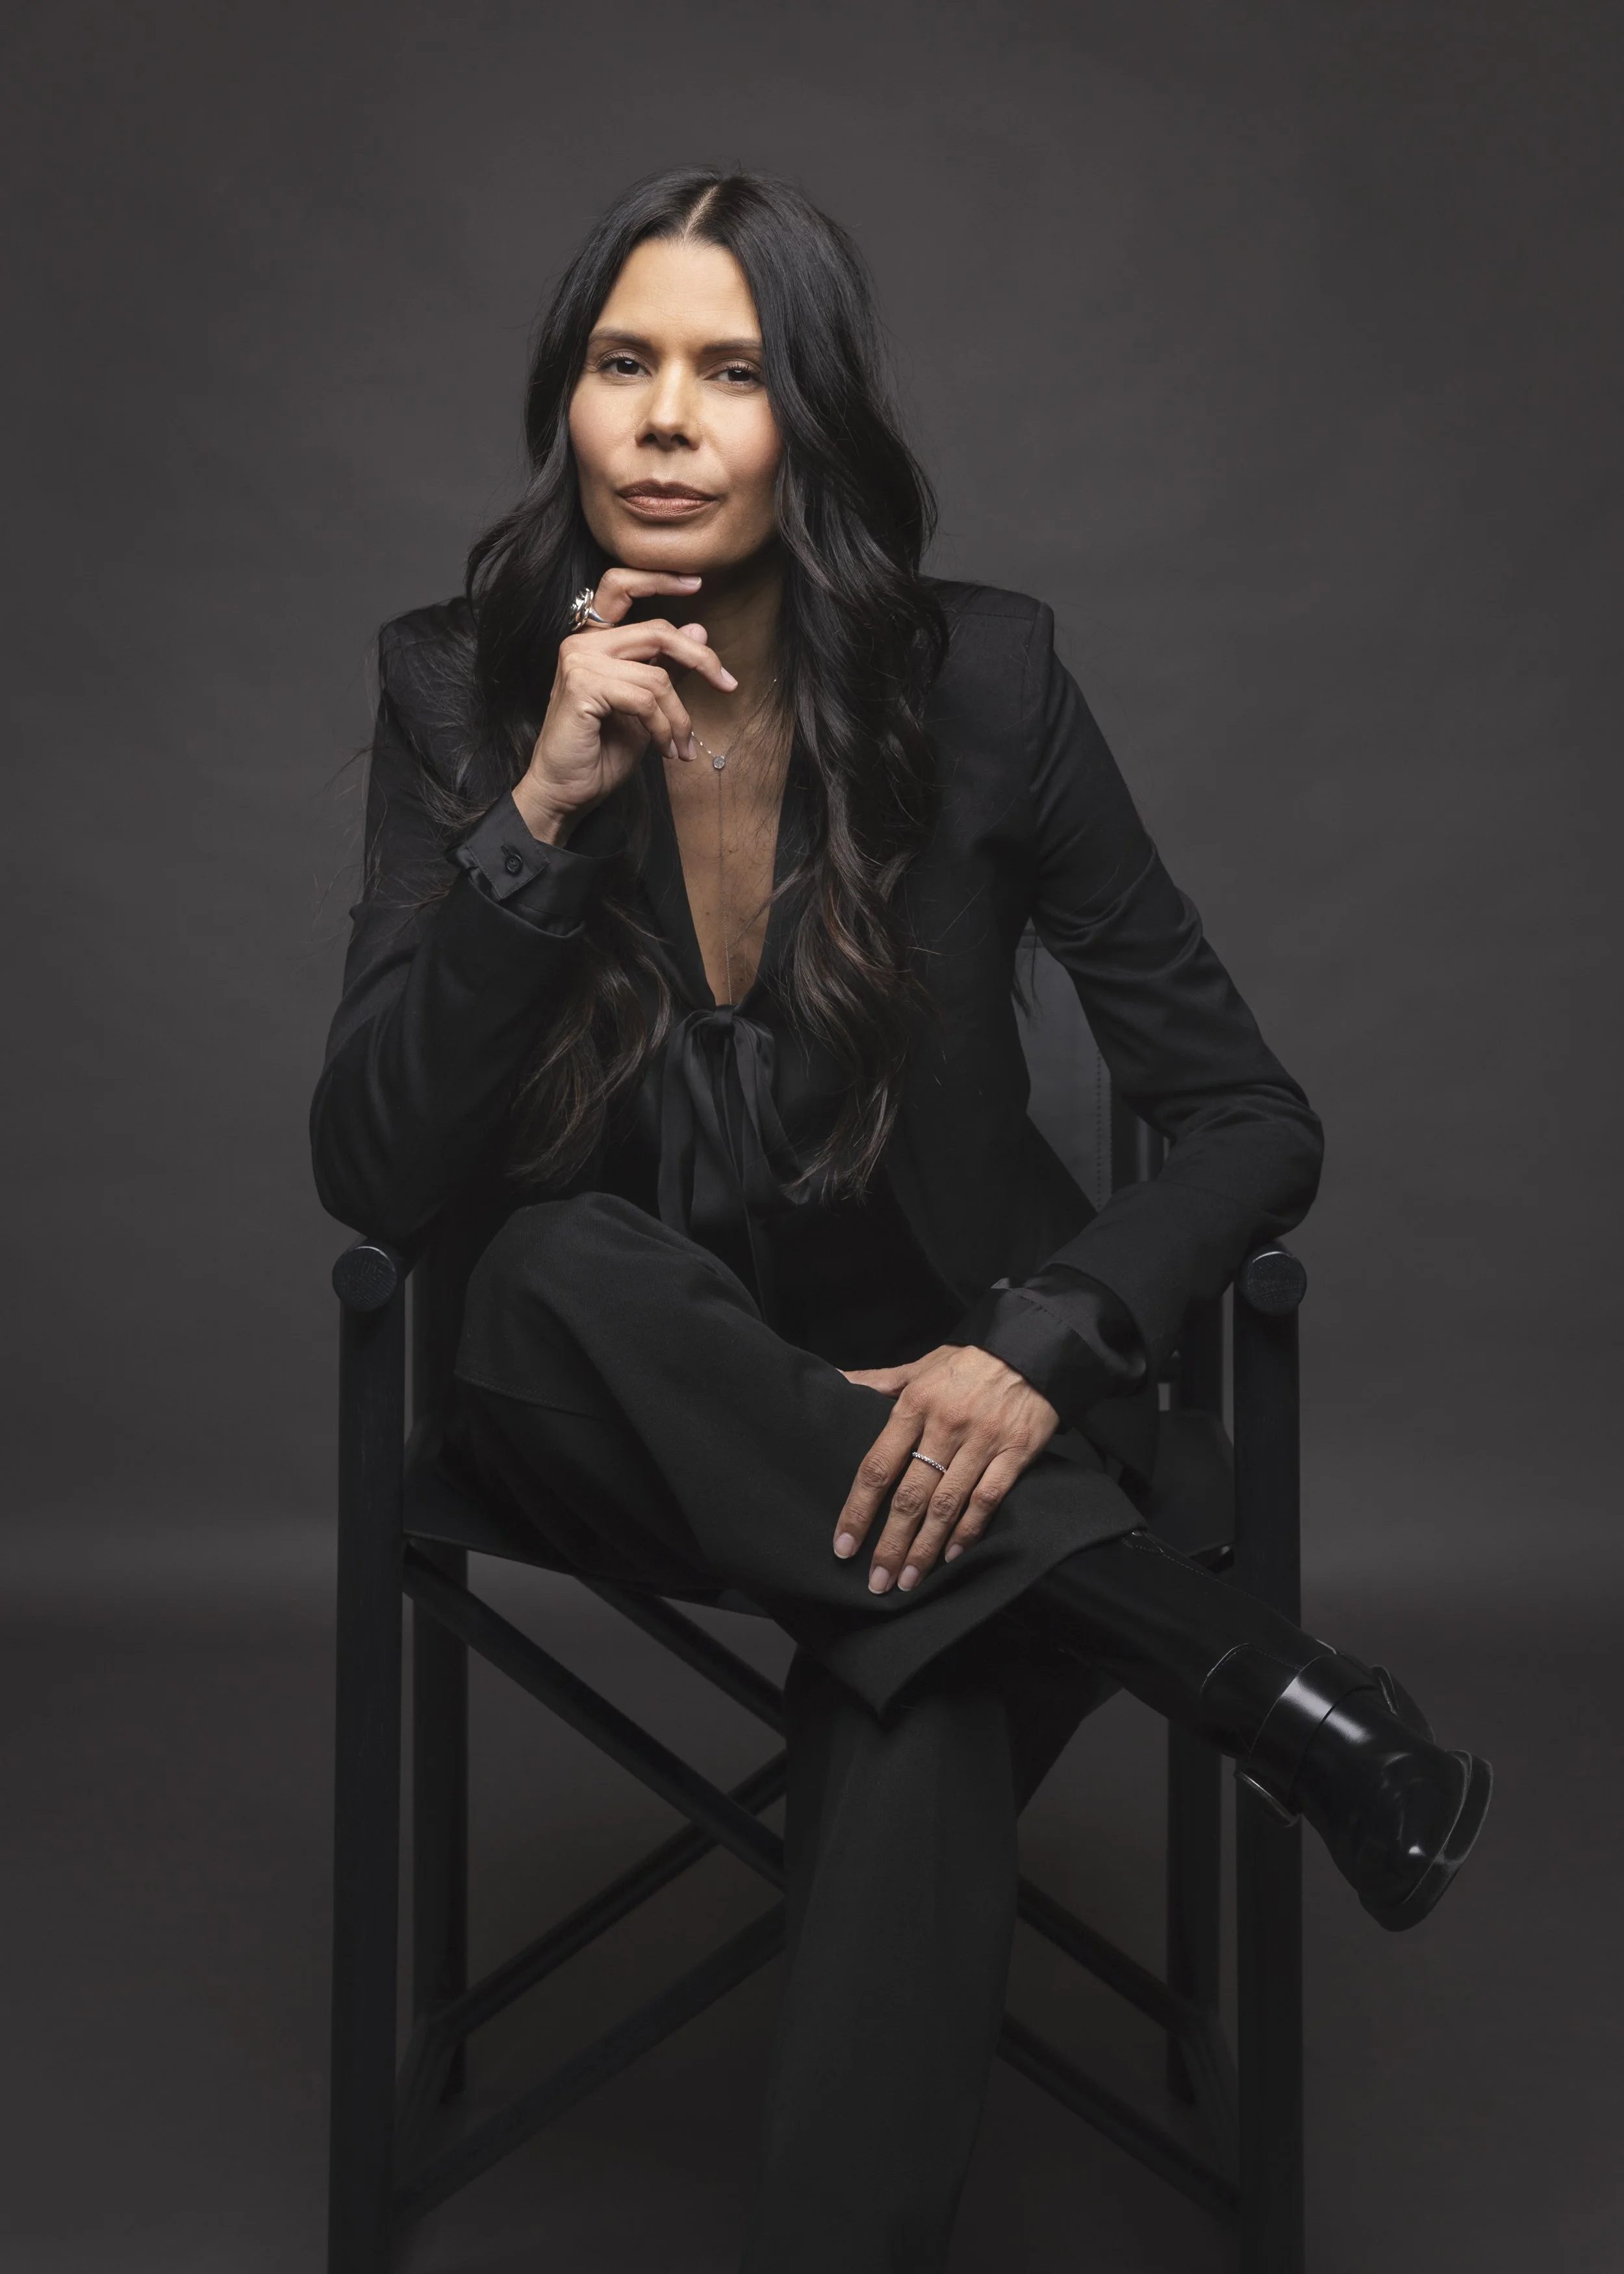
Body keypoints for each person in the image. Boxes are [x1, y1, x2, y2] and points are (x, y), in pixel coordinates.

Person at [311, 167, 1491, 2273]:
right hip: (627, 1403)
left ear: (815, 419)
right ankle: (1266, 1687)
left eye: (732, 371)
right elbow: (378, 1172)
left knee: (916, 1664)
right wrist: (542, 812)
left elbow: (1245, 1116)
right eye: (621, 362)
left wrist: (1030, 1350)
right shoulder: (459, 690)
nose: (665, 421)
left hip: (976, 1408)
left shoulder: (987, 685)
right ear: (565, 399)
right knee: (549, 1263)